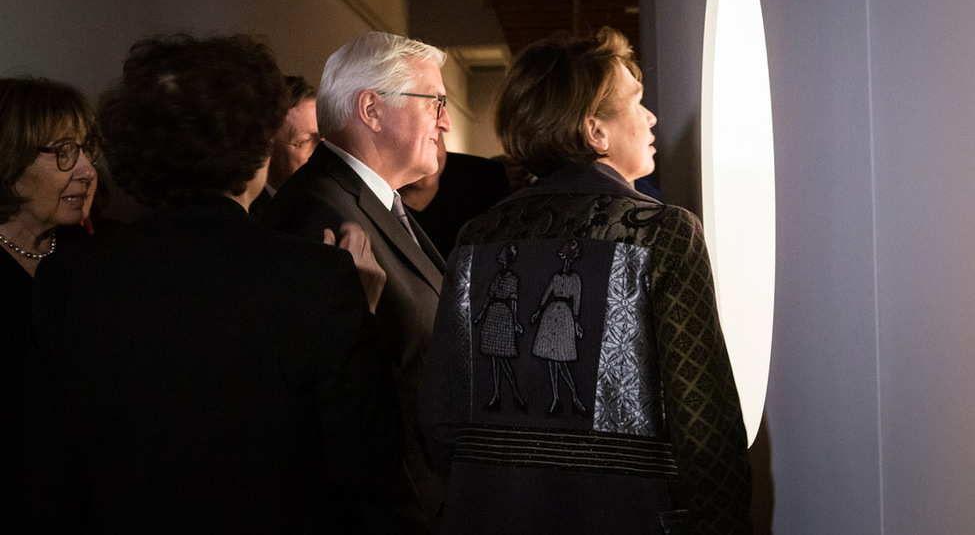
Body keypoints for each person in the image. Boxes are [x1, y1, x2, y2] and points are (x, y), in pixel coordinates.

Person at [24, 35, 405, 533]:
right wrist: (364, 315)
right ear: (255, 149)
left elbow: (46, 465)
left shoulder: (70, 274)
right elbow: (369, 461)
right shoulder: (316, 279)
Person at [418, 27, 752, 534]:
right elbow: (705, 429)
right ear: (595, 131)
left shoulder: (476, 238)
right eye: (637, 102)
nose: (651, 118)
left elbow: (441, 422)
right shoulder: (662, 233)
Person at [261, 31, 451, 532]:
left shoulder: (371, 200)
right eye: (435, 102)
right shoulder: (317, 211)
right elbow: (331, 410)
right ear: (371, 109)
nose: (445, 122)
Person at [0, 77, 98, 529]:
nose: (87, 170)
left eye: (85, 150)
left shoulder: (95, 258)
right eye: (63, 152)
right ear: (8, 160)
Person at [399, 133, 510, 259]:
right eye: (414, 143)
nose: (428, 160)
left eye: (432, 140)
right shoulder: (376, 198)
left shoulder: (486, 176)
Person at [249, 75, 320, 220]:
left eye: (324, 137)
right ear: (268, 148)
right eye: (305, 141)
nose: (322, 150)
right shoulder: (252, 218)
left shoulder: (338, 206)